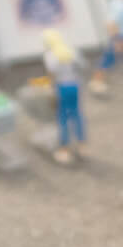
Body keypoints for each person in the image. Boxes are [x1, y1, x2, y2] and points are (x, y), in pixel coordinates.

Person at [41, 29, 86, 164]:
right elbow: (82, 65)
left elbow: (51, 73)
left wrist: (50, 88)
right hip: (75, 85)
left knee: (63, 117)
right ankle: (82, 145)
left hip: (62, 87)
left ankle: (64, 149)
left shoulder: (50, 55)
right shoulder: (70, 50)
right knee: (76, 114)